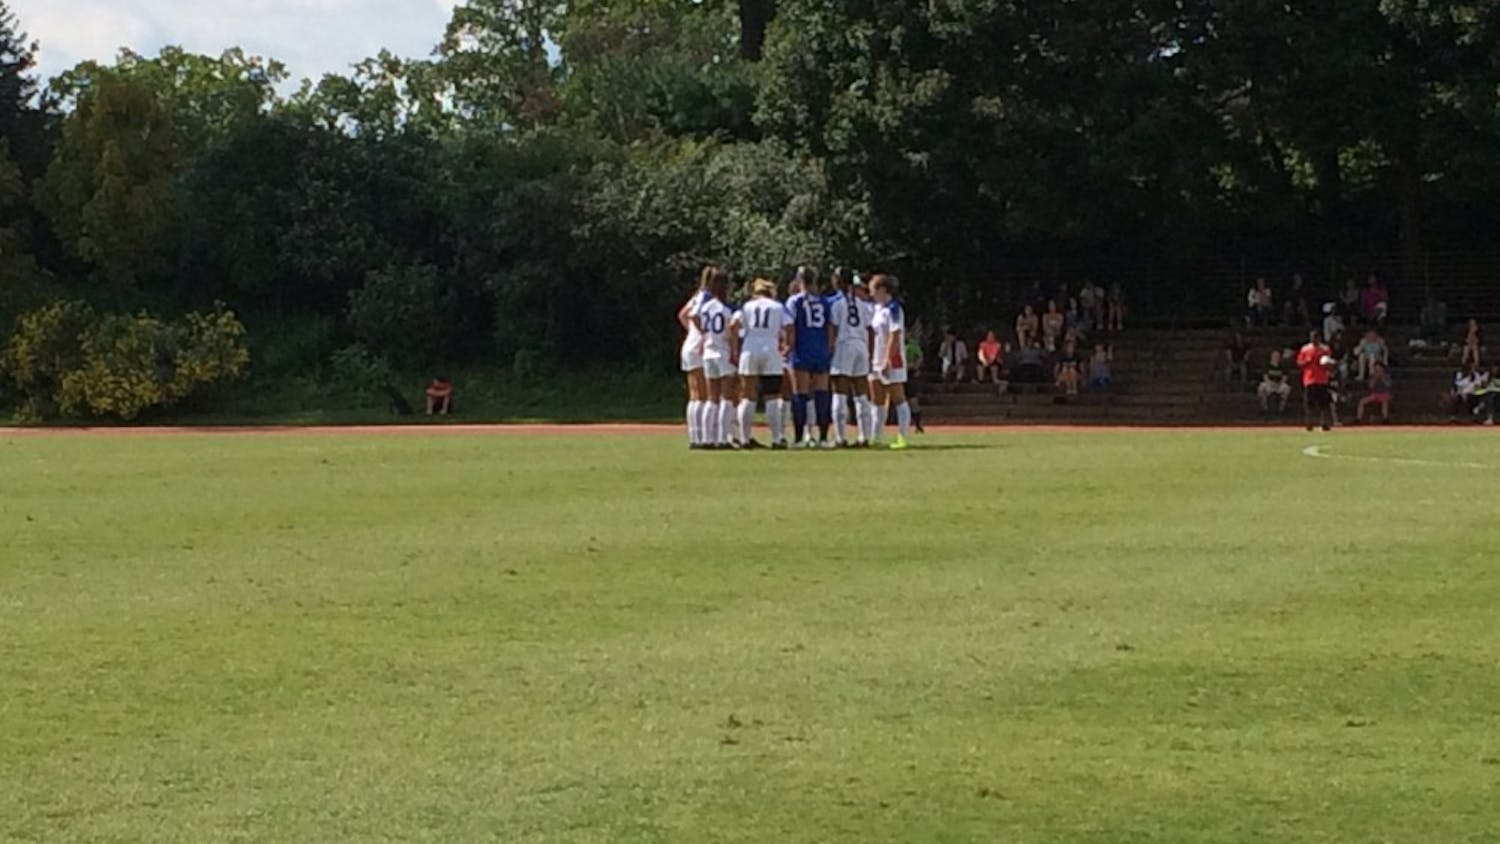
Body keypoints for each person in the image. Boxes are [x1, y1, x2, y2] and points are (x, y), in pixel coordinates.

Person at [731, 278, 792, 448]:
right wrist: (787, 345)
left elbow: (733, 325)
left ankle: (744, 438)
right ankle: (776, 438)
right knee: (772, 395)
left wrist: (735, 348)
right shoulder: (778, 307)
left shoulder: (747, 306)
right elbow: (789, 326)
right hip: (771, 348)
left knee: (747, 395)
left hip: (750, 347)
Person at [786, 265, 836, 448]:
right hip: (820, 350)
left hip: (802, 349)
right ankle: (823, 437)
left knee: (801, 393)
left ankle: (800, 438)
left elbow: (790, 327)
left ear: (799, 281)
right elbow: (831, 328)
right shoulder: (824, 302)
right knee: (822, 393)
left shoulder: (794, 301)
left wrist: (788, 347)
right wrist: (828, 348)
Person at [828, 268, 877, 447]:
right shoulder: (862, 303)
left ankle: (840, 438)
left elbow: (832, 329)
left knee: (839, 392)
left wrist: (830, 350)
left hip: (844, 344)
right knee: (861, 393)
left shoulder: (836, 304)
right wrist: (870, 352)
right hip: (861, 345)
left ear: (838, 282)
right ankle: (864, 436)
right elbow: (870, 330)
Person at [869, 274, 914, 450]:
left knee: (898, 396)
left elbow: (895, 335)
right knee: (877, 398)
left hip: (891, 359)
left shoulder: (894, 309)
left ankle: (902, 436)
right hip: (875, 359)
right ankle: (876, 436)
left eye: (873, 289)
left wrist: (888, 359)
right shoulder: (876, 309)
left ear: (882, 289)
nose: (871, 293)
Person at [695, 268, 737, 448]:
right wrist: (735, 353)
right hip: (723, 352)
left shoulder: (706, 307)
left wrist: (704, 335)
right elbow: (732, 333)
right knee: (726, 397)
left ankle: (706, 438)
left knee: (711, 398)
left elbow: (696, 319)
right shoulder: (728, 308)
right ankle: (721, 437)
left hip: (709, 352)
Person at [677, 268, 715, 447]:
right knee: (704, 394)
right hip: (700, 347)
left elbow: (682, 315)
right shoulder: (707, 297)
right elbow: (692, 315)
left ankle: (695, 436)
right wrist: (703, 334)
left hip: (689, 345)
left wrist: (690, 331)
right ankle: (704, 437)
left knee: (695, 395)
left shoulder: (696, 296)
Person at [1295, 330, 1337, 431]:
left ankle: (1324, 423)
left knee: (1323, 404)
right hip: (1309, 379)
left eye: (1316, 338)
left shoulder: (1325, 349)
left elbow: (1330, 364)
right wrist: (1307, 362)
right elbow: (1299, 363)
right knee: (1309, 404)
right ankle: (1309, 423)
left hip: (1322, 379)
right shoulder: (1305, 349)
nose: (1314, 340)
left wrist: (1327, 365)